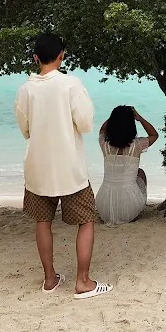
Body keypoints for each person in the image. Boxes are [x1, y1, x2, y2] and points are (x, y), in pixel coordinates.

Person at [14, 31, 110, 299]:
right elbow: (86, 124)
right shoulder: (71, 85)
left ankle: (49, 279)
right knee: (86, 220)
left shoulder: (25, 89)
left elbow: (25, 129)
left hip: (37, 167)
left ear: (35, 58)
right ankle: (83, 281)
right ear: (62, 55)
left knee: (43, 221)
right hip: (70, 167)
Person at [94, 105, 159, 224]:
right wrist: (140, 118)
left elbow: (102, 130)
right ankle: (135, 208)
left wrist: (115, 118)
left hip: (104, 207)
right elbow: (154, 135)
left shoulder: (105, 144)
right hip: (130, 208)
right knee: (140, 172)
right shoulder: (137, 145)